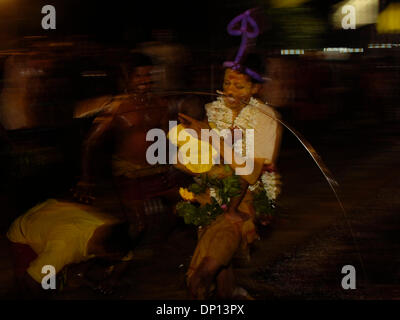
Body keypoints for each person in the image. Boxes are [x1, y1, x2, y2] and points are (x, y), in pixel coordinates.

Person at [176, 53, 283, 299]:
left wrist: (211, 139)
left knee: (202, 275)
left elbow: (252, 174)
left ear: (255, 88)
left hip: (241, 205)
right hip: (210, 199)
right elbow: (186, 161)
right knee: (221, 266)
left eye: (239, 85)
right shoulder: (214, 112)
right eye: (226, 83)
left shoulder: (265, 119)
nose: (230, 91)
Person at [73, 53, 175, 239]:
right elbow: (90, 142)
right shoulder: (117, 107)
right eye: (139, 76)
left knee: (177, 213)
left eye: (147, 75)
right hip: (129, 173)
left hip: (157, 169)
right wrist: (86, 178)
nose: (144, 80)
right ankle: (121, 259)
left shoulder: (161, 104)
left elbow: (167, 138)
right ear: (128, 79)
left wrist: (172, 167)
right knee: (139, 224)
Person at [6, 199, 134, 298]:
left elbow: (126, 256)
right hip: (24, 232)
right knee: (35, 286)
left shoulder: (111, 229)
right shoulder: (64, 248)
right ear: (106, 253)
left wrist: (112, 280)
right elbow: (31, 280)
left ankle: (73, 274)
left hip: (51, 213)